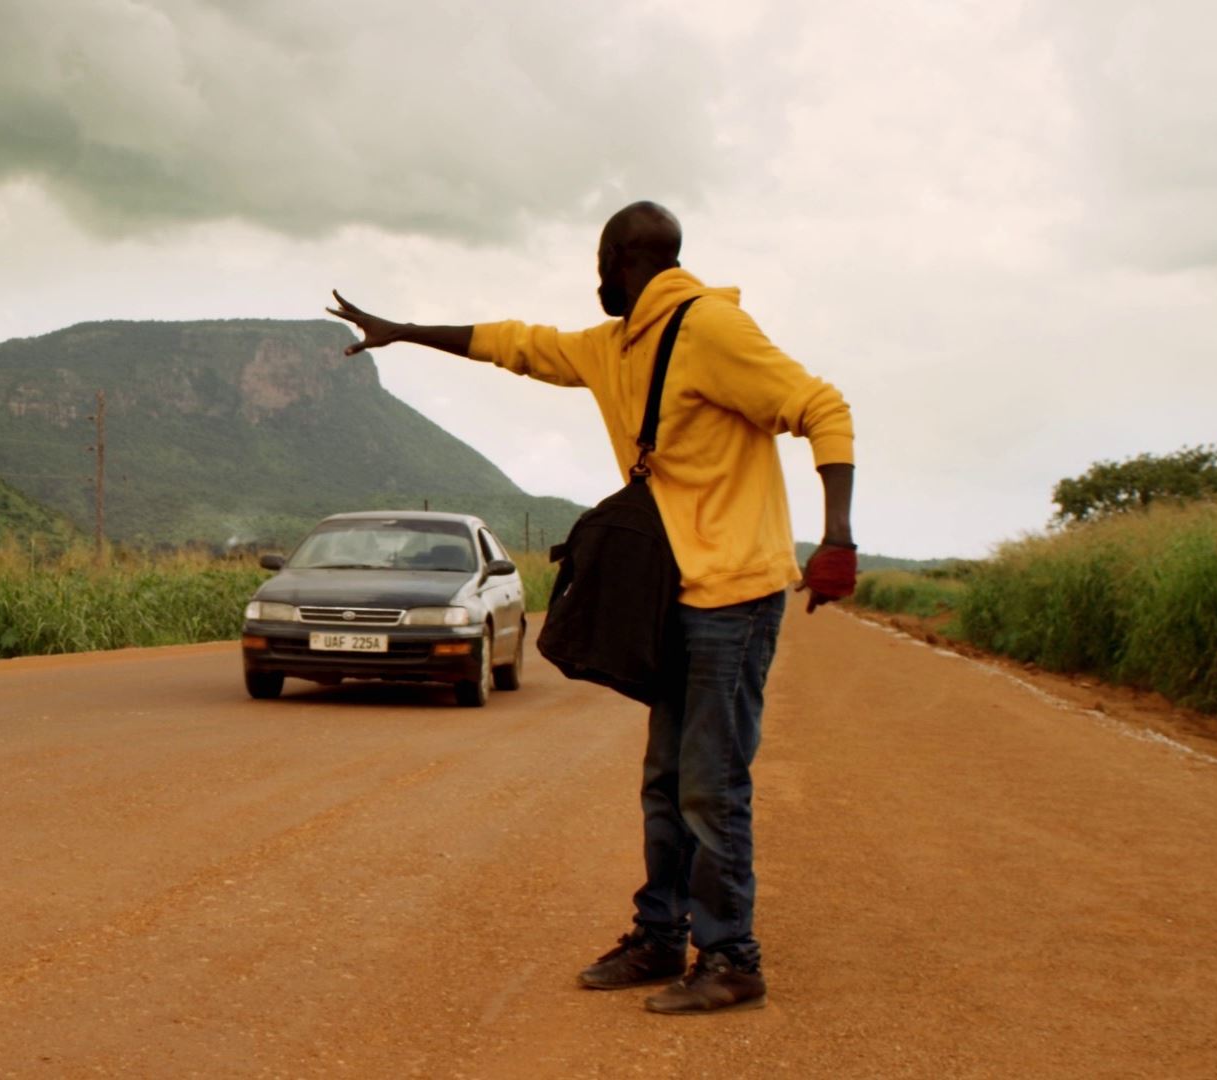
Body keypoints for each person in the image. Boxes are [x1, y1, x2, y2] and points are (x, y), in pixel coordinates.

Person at [326, 201, 857, 1015]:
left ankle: (732, 956)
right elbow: (518, 344)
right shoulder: (617, 346)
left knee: (711, 784)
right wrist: (405, 331)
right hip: (677, 593)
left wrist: (838, 539)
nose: (596, 280)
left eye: (600, 264)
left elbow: (823, 408)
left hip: (736, 596)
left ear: (620, 261)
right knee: (666, 781)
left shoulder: (713, 329)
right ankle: (660, 937)